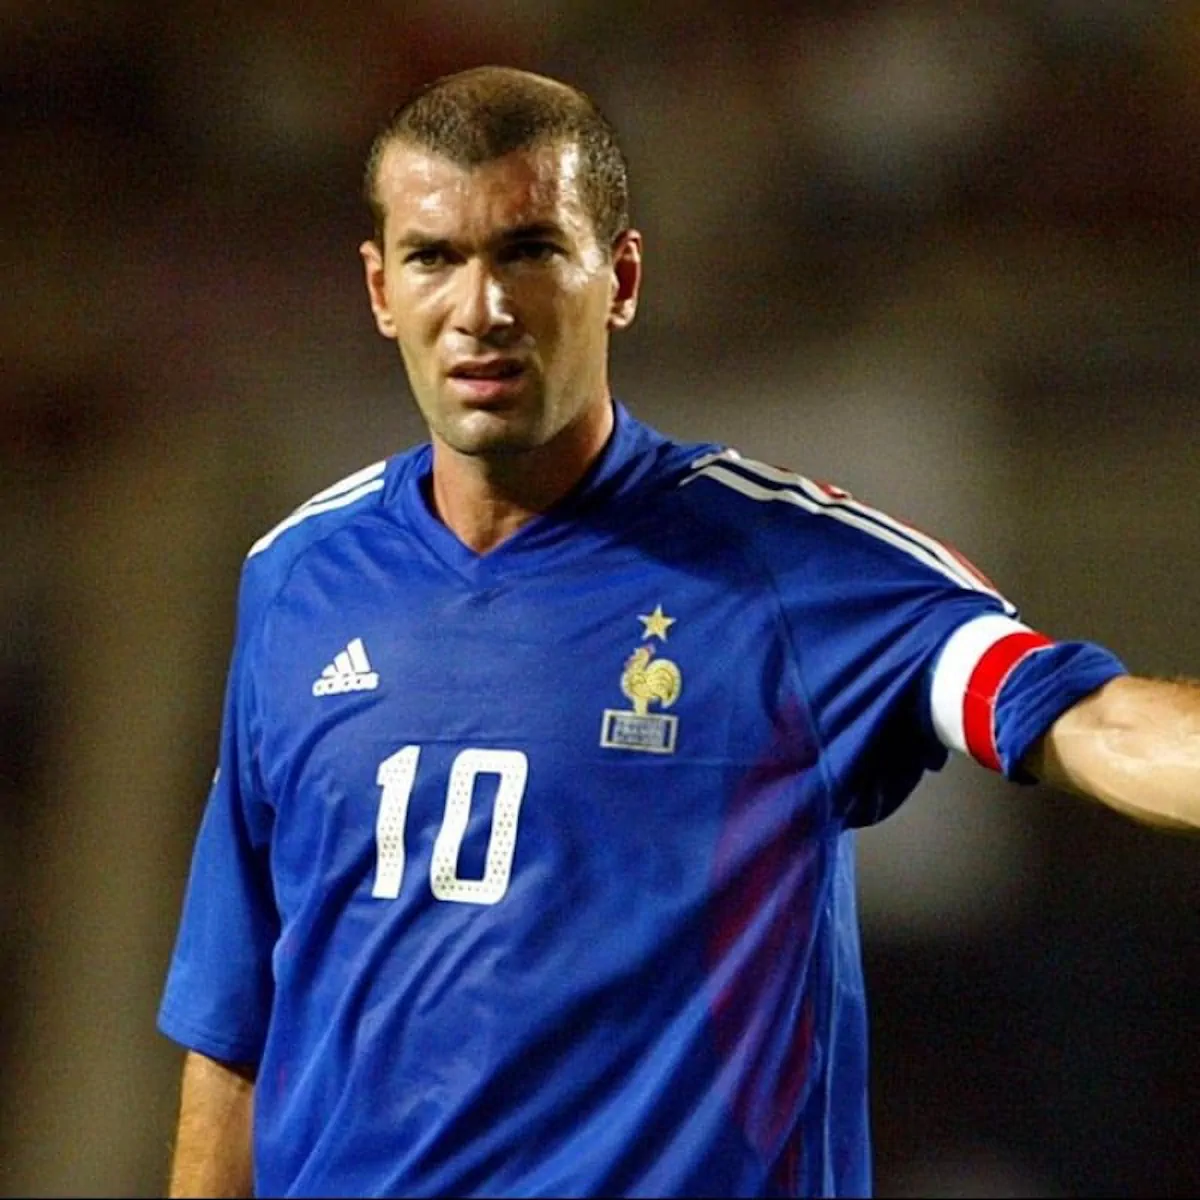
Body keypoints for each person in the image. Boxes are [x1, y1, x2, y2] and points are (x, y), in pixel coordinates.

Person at [157, 65, 1199, 1199]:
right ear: (379, 289)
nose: (481, 307)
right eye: (434, 258)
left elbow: (1084, 718)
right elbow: (235, 1024)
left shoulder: (786, 569)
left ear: (621, 279)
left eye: (529, 251)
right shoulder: (299, 578)